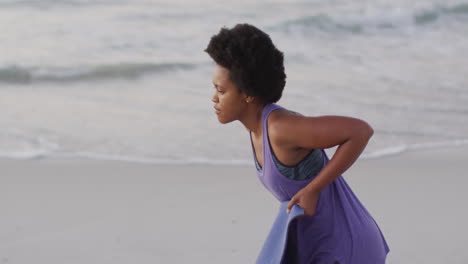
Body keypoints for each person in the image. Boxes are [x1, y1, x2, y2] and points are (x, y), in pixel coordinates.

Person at [204, 23, 390, 264]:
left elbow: (360, 131)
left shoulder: (281, 128)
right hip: (320, 246)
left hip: (346, 246)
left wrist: (313, 189)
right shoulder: (258, 129)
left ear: (247, 93)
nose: (214, 98)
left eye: (221, 90)